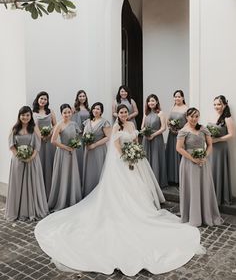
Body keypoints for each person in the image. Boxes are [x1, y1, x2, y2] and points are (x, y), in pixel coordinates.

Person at [35, 104, 205, 276]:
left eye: (125, 112)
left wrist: (135, 152)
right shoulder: (116, 126)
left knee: (137, 188)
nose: (124, 114)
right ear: (118, 114)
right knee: (120, 189)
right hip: (121, 161)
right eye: (121, 112)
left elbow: (135, 140)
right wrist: (126, 156)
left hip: (134, 160)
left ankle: (140, 208)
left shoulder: (131, 125)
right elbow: (116, 145)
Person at [176, 107, 222, 227]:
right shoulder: (183, 131)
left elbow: (210, 145)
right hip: (188, 163)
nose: (194, 119)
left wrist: (205, 157)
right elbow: (179, 148)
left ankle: (205, 215)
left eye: (197, 116)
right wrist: (193, 159)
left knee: (203, 187)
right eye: (192, 116)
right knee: (191, 188)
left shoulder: (203, 129)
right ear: (187, 117)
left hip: (203, 162)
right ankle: (192, 216)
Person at [5, 106, 48, 221]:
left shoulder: (34, 128)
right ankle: (18, 211)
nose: (25, 117)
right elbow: (11, 146)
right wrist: (20, 156)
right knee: (18, 184)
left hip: (32, 160)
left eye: (27, 115)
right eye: (23, 115)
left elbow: (37, 146)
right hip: (17, 160)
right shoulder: (14, 128)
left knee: (32, 184)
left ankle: (32, 210)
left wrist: (30, 157)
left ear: (31, 116)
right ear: (19, 116)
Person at [48, 104, 82, 212]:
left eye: (69, 112)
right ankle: (62, 200)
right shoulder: (59, 125)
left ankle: (72, 199)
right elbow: (53, 141)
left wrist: (76, 144)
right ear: (61, 113)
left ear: (71, 113)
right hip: (63, 153)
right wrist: (66, 147)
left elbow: (78, 136)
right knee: (63, 175)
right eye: (65, 113)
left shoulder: (74, 124)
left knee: (72, 174)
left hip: (72, 153)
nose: (67, 114)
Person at [208, 95, 234, 205]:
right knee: (211, 170)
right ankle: (211, 195)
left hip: (221, 148)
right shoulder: (214, 116)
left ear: (224, 105)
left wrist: (217, 139)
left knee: (219, 170)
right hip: (212, 148)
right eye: (214, 104)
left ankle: (219, 197)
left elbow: (232, 135)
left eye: (218, 104)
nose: (216, 106)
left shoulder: (228, 118)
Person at [83, 102, 111, 197]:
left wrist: (94, 145)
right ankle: (88, 193)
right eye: (94, 108)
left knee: (99, 170)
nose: (95, 110)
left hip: (99, 149)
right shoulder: (87, 121)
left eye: (98, 109)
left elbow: (108, 137)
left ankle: (100, 194)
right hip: (88, 151)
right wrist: (85, 142)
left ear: (101, 111)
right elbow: (83, 135)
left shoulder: (104, 122)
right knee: (89, 171)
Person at [32, 91, 56, 199]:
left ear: (47, 101)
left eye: (45, 99)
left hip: (50, 142)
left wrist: (50, 133)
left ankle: (51, 192)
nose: (43, 101)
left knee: (50, 164)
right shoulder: (33, 113)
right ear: (38, 99)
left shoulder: (50, 112)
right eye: (41, 98)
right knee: (40, 164)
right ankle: (40, 194)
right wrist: (41, 136)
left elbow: (55, 125)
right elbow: (34, 126)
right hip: (39, 142)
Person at [141, 94, 168, 188]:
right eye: (149, 101)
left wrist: (153, 135)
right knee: (147, 158)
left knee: (156, 158)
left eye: (153, 101)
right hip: (146, 139)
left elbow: (164, 127)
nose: (151, 103)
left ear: (156, 102)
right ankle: (147, 180)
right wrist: (145, 133)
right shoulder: (146, 113)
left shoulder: (160, 113)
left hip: (156, 139)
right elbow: (142, 126)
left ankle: (157, 181)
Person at [166, 90, 188, 184]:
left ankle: (180, 179)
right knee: (171, 154)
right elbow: (168, 120)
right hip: (172, 134)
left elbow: (189, 123)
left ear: (183, 97)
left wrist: (180, 131)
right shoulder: (173, 107)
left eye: (179, 96)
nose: (177, 98)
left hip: (181, 135)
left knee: (180, 155)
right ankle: (171, 178)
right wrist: (170, 127)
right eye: (175, 97)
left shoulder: (186, 108)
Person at [71, 90, 90, 186]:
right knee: (79, 154)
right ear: (77, 97)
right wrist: (79, 130)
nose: (82, 98)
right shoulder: (74, 108)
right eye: (80, 96)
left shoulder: (88, 108)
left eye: (83, 96)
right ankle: (78, 178)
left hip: (86, 135)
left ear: (86, 97)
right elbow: (72, 121)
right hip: (79, 134)